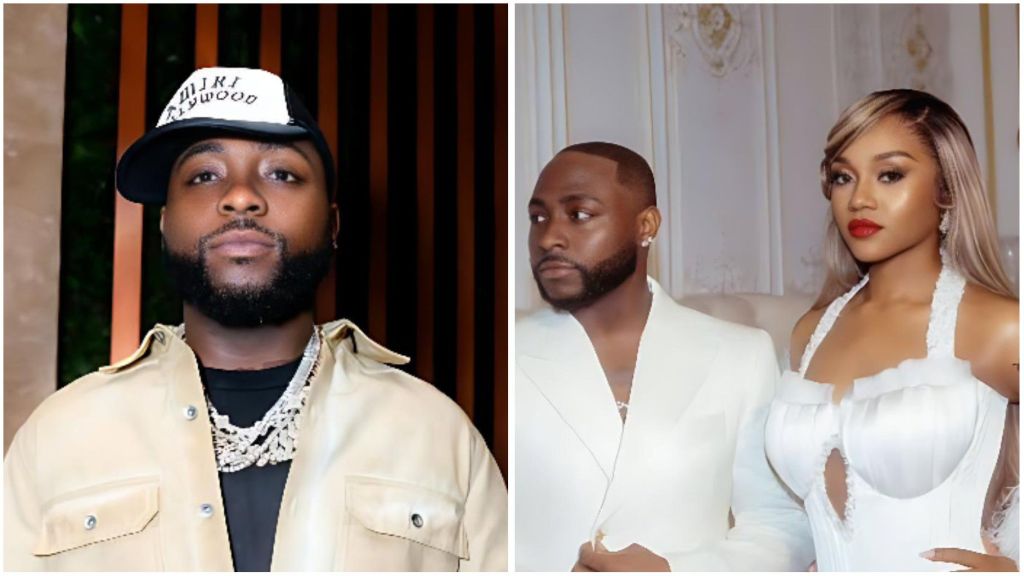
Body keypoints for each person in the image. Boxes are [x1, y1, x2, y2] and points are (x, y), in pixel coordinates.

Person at [4, 67, 507, 571]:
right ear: (164, 225)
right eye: (205, 175)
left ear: (333, 224)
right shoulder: (60, 435)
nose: (241, 196)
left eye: (281, 173)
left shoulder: (437, 434)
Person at [516, 142, 814, 571]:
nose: (548, 237)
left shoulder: (741, 355)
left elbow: (781, 523)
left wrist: (673, 572)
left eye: (579, 214)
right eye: (537, 218)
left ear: (646, 225)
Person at [764, 89, 1019, 571]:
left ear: (946, 190)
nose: (859, 198)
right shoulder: (809, 333)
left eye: (890, 175)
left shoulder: (998, 327)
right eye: (843, 177)